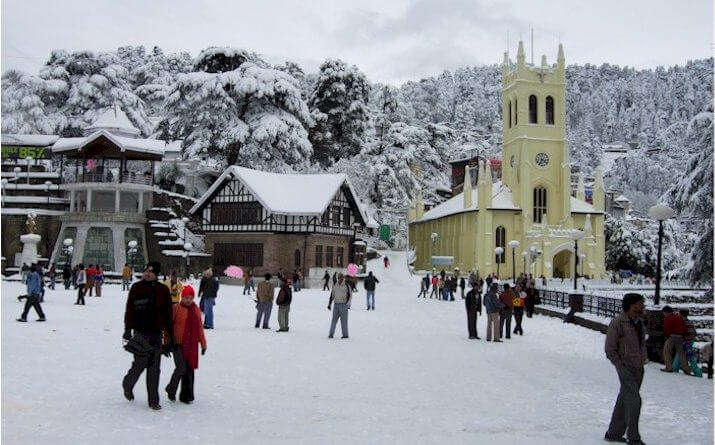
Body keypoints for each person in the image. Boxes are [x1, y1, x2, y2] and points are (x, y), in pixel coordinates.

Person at [122, 261, 174, 411]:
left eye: (150, 271)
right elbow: (130, 310)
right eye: (146, 270)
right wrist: (128, 328)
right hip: (141, 332)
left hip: (156, 333)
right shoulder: (136, 288)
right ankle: (128, 383)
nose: (147, 273)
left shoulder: (163, 290)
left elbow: (168, 315)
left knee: (154, 367)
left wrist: (170, 336)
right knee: (140, 363)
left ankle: (153, 400)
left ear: (156, 274)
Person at [604, 293, 647, 445]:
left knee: (625, 399)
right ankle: (633, 437)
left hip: (638, 367)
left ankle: (614, 432)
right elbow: (610, 348)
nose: (644, 305)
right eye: (641, 303)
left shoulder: (639, 322)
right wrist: (619, 365)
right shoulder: (618, 323)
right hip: (625, 367)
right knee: (635, 401)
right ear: (632, 305)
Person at [165, 284, 206, 404]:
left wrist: (203, 344)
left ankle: (186, 396)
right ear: (182, 297)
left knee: (189, 370)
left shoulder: (196, 310)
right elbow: (168, 326)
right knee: (181, 368)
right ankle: (171, 389)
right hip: (177, 344)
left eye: (191, 297)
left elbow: (199, 328)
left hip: (192, 345)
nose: (188, 300)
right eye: (186, 297)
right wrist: (166, 342)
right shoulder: (176, 308)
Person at [660, 306, 691, 374]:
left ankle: (669, 367)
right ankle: (686, 369)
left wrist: (667, 335)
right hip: (680, 337)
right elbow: (684, 327)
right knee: (681, 353)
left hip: (671, 336)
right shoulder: (679, 317)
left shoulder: (668, 318)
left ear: (666, 312)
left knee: (666, 352)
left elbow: (666, 328)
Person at [328, 273, 351, 338]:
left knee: (344, 321)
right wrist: (329, 304)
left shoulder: (346, 285)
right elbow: (332, 295)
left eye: (340, 277)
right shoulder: (335, 285)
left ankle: (345, 335)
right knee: (334, 321)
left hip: (343, 305)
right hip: (336, 305)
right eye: (338, 277)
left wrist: (348, 304)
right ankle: (331, 334)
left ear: (343, 278)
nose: (339, 279)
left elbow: (350, 295)